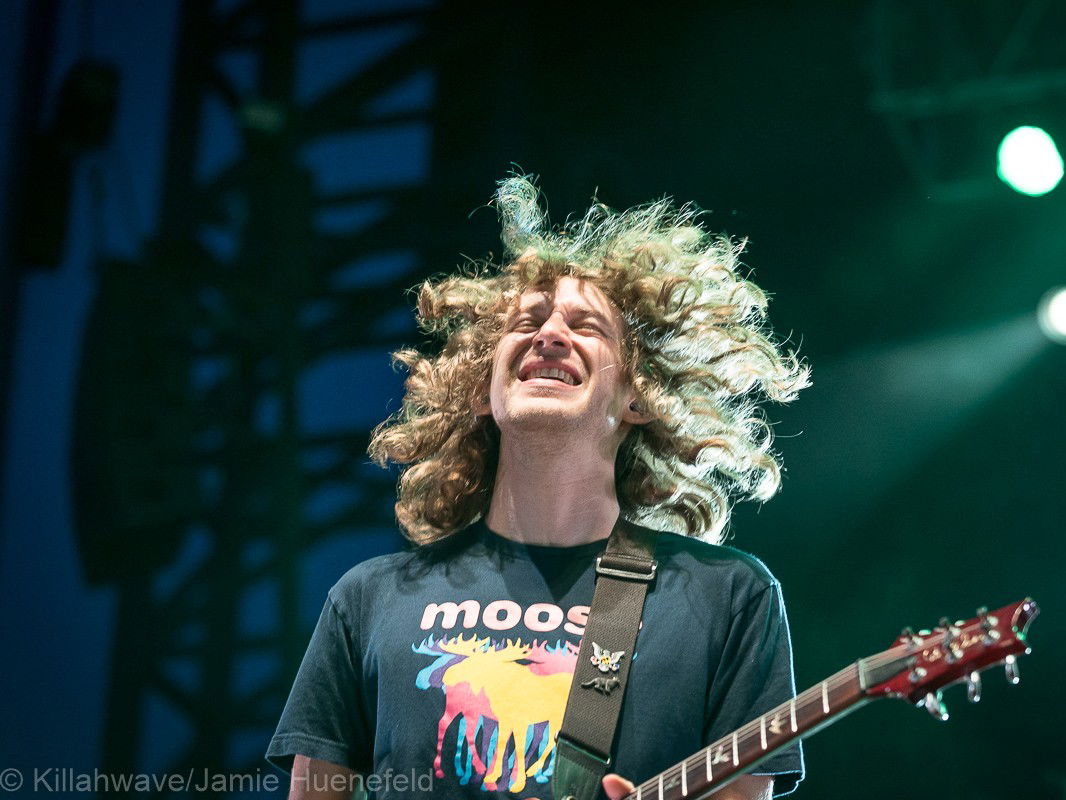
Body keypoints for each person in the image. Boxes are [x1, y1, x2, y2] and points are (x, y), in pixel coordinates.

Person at [266, 175, 811, 800]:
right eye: (527, 322)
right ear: (482, 389)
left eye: (587, 327)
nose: (549, 335)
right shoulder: (370, 598)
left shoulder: (726, 597)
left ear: (639, 397)